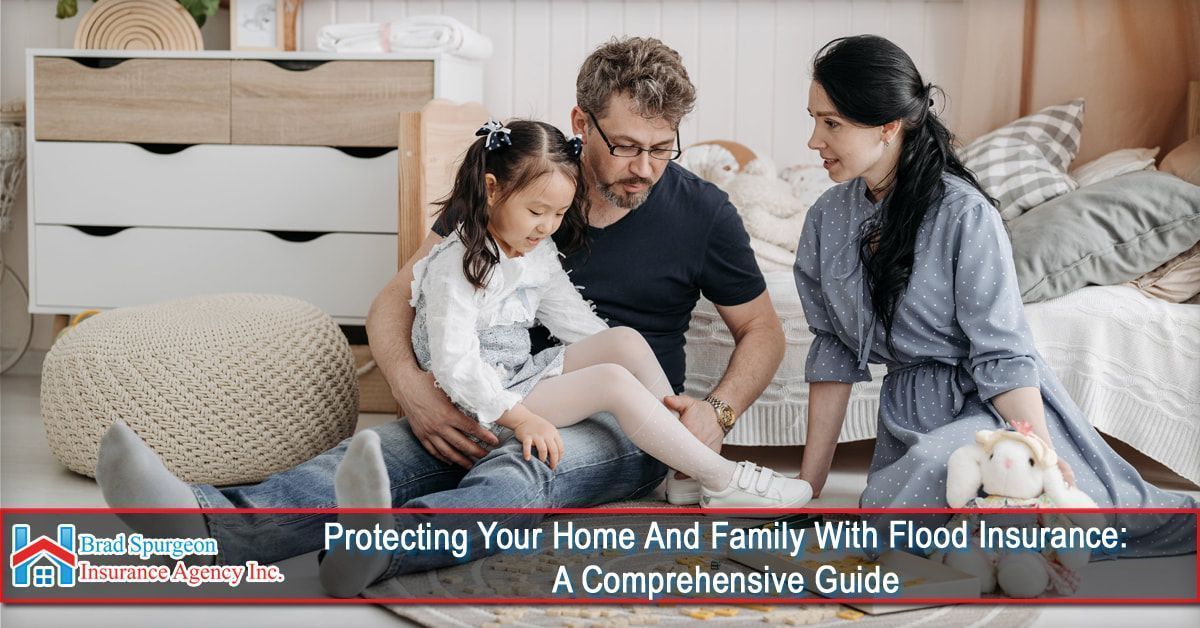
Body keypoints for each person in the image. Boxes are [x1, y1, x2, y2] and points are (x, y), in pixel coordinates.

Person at [95, 36, 787, 595]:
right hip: (489, 386)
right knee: (379, 456)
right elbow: (402, 294)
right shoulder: (520, 178)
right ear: (581, 124)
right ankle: (204, 523)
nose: (645, 167)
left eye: (662, 146)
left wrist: (716, 414)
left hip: (622, 417)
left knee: (524, 469)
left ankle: (381, 549)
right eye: (628, 145)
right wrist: (414, 388)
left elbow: (762, 331)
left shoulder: (702, 212)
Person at [318, 117, 812, 594]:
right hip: (477, 398)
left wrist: (617, 363)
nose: (548, 226)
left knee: (624, 344)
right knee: (608, 389)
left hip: (517, 379)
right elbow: (455, 365)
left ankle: (685, 469)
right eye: (538, 213)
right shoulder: (457, 262)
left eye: (559, 214)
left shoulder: (536, 249)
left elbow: (579, 324)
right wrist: (524, 419)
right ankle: (721, 479)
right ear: (491, 190)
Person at [793, 34, 1196, 556]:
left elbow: (1003, 354)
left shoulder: (963, 214)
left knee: (936, 497)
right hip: (909, 417)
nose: (813, 141)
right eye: (814, 119)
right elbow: (834, 350)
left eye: (831, 124)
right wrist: (808, 487)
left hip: (990, 408)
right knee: (898, 508)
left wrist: (1043, 460)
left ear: (888, 126)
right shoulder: (827, 217)